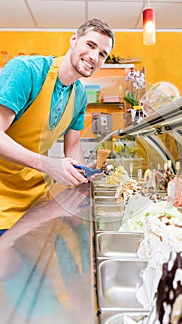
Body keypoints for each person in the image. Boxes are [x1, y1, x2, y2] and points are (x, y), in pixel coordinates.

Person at [0, 18, 115, 235]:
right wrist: (48, 164)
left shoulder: (79, 95)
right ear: (74, 39)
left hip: (36, 201)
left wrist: (84, 173)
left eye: (102, 54)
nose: (94, 57)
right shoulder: (26, 71)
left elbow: (72, 147)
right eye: (90, 45)